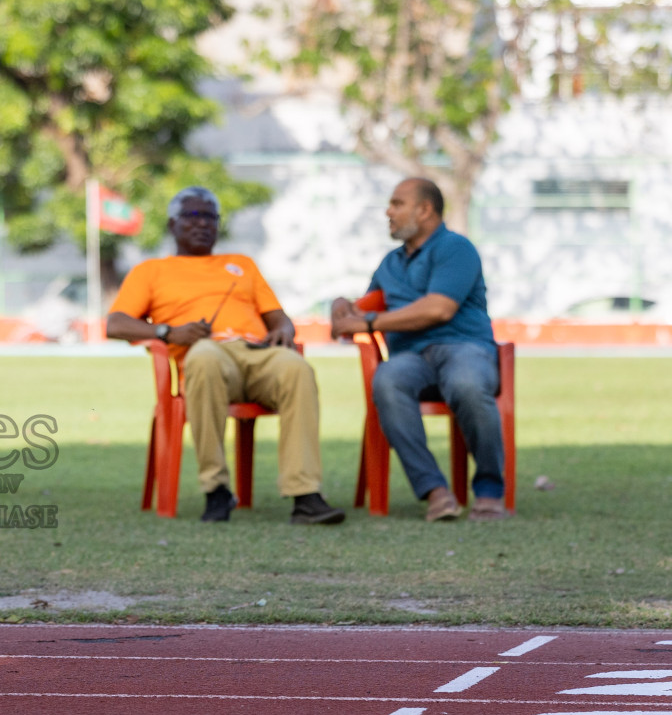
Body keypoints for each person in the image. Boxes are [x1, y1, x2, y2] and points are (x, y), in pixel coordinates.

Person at [107, 187, 344, 525]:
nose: (203, 223)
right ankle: (216, 489)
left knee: (297, 368)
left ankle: (305, 494)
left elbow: (279, 318)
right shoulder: (151, 271)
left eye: (210, 217)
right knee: (203, 356)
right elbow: (115, 323)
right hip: (206, 356)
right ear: (173, 225)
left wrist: (285, 332)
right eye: (193, 216)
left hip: (258, 354)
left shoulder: (241, 265)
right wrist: (168, 332)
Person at [330, 177, 505, 522]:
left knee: (466, 383)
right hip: (410, 358)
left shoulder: (456, 248)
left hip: (463, 347)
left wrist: (367, 322)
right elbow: (363, 308)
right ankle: (435, 492)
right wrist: (342, 305)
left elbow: (439, 309)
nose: (388, 211)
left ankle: (488, 490)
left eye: (397, 204)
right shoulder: (390, 264)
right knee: (387, 380)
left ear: (425, 210)